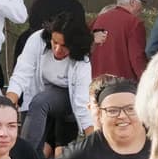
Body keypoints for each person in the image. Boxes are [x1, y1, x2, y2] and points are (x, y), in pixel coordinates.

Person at [6, 14, 95, 151]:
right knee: (32, 131)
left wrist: (94, 140)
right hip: (37, 91)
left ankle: (22, 156)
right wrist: (8, 104)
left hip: (67, 97)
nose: (58, 49)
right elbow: (22, 73)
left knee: (41, 101)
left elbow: (82, 102)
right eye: (55, 42)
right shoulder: (37, 40)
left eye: (64, 46)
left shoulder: (82, 61)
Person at [88, 0, 149, 82]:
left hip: (95, 85)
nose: (142, 8)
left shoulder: (99, 19)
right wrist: (147, 84)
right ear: (133, 1)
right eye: (143, 2)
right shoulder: (134, 23)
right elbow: (137, 59)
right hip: (123, 86)